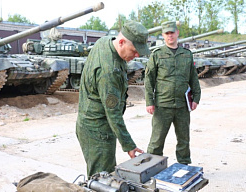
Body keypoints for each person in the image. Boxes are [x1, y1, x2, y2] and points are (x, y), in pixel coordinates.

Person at [76, 21, 150, 177]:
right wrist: (128, 145)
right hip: (98, 131)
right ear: (122, 42)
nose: (136, 55)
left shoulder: (105, 42)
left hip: (92, 124)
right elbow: (113, 113)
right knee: (102, 178)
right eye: (134, 51)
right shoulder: (109, 73)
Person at [144, 21, 201, 165]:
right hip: (163, 104)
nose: (170, 36)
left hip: (182, 105)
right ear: (163, 35)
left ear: (177, 33)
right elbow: (149, 79)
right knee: (157, 140)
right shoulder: (157, 54)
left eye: (172, 32)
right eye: (167, 33)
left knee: (183, 139)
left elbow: (193, 77)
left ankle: (184, 166)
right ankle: (152, 166)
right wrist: (149, 102)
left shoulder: (187, 55)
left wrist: (196, 98)